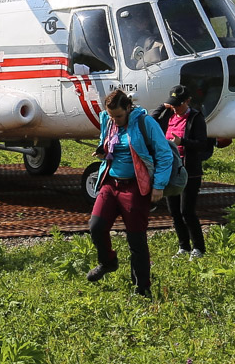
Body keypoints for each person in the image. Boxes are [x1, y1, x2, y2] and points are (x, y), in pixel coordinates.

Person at [87, 87, 173, 296]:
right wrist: (102, 150)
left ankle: (142, 287)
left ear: (128, 107)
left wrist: (159, 186)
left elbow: (164, 154)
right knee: (96, 226)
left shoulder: (145, 123)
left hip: (135, 186)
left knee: (136, 239)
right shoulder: (109, 123)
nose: (115, 120)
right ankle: (107, 262)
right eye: (111, 116)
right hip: (111, 183)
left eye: (118, 116)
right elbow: (107, 145)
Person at [153, 85, 212, 258]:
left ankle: (198, 248)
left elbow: (203, 144)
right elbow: (151, 120)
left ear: (187, 101)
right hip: (170, 169)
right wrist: (163, 106)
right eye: (173, 104)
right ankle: (183, 246)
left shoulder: (196, 118)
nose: (176, 107)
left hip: (189, 171)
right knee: (174, 211)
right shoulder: (170, 114)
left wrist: (182, 141)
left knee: (187, 211)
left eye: (178, 104)